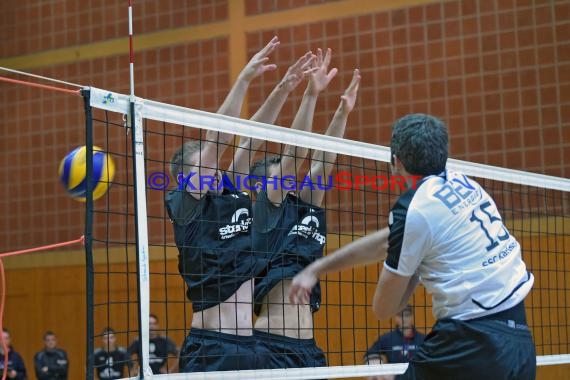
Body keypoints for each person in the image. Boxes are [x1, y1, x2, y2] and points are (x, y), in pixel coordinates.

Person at [289, 113, 536, 379]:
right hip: (520, 341)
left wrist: (414, 266)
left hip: (471, 341)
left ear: (396, 161)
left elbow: (384, 308)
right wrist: (318, 267)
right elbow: (390, 239)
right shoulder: (463, 182)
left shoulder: (414, 209)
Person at [165, 37, 318, 372]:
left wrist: (284, 87)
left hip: (250, 346)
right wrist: (244, 80)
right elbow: (218, 138)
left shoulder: (231, 191)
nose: (215, 168)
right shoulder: (186, 207)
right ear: (187, 179)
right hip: (212, 347)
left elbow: (251, 137)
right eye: (205, 164)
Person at [249, 49, 360, 370]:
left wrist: (342, 114)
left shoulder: (302, 208)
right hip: (271, 349)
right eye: (279, 179)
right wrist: (310, 94)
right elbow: (294, 155)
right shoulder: (263, 215)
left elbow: (323, 164)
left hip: (308, 350)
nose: (288, 183)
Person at [364, 305, 425, 380]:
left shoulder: (423, 339)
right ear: (395, 317)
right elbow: (370, 353)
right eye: (400, 315)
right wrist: (378, 368)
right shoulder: (388, 338)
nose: (404, 319)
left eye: (407, 315)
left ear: (412, 316)